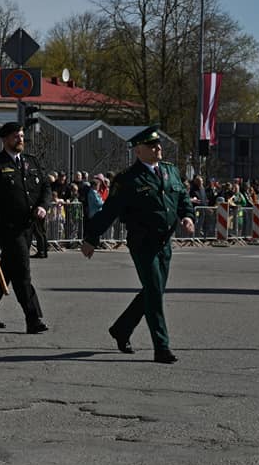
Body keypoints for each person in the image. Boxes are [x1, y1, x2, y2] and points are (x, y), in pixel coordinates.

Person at [80, 126, 195, 364]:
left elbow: (182, 197)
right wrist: (91, 238)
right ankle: (161, 347)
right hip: (143, 242)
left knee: (154, 291)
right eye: (152, 146)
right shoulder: (127, 179)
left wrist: (187, 216)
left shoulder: (170, 171)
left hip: (165, 242)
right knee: (153, 292)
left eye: (158, 144)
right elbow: (109, 211)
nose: (158, 148)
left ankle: (122, 329)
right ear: (139, 151)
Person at [0, 121, 51, 333]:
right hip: (7, 227)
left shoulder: (32, 162)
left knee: (8, 269)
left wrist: (43, 206)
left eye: (21, 135)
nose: (20, 139)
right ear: (5, 139)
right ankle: (33, 317)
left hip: (29, 226)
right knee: (22, 271)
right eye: (15, 136)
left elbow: (45, 187)